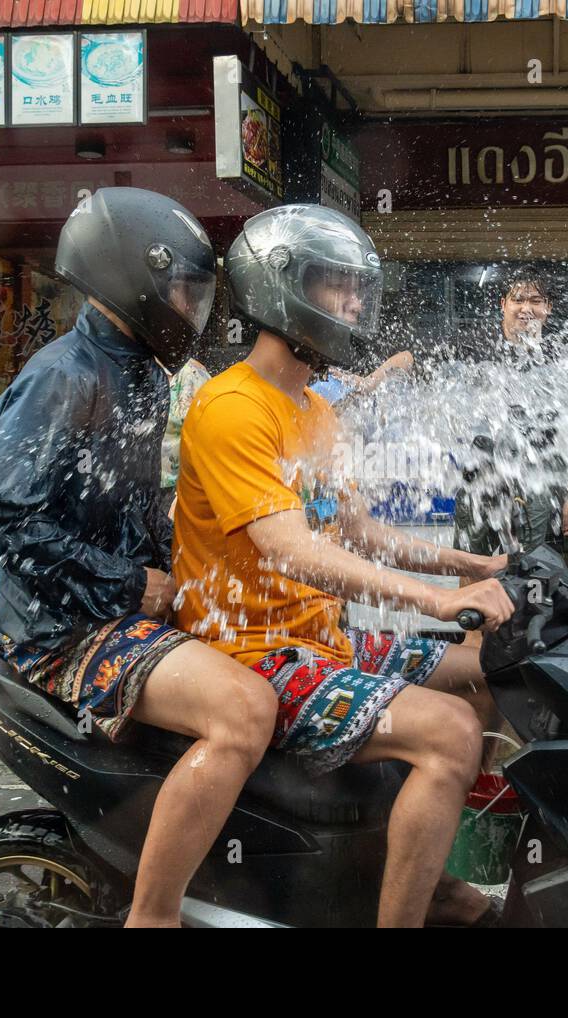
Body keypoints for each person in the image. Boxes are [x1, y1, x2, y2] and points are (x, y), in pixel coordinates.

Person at [172, 204, 515, 928]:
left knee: (488, 669)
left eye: (359, 288)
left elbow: (355, 530)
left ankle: (416, 870)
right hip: (254, 652)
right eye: (339, 287)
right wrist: (432, 600)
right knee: (452, 730)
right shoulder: (232, 407)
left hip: (319, 638)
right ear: (283, 289)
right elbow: (292, 549)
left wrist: (468, 563)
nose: (356, 304)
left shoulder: (314, 409)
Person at [0, 188, 278, 928]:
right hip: (59, 630)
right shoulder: (63, 375)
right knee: (242, 712)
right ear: (128, 277)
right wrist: (129, 582)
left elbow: (134, 507)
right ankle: (155, 916)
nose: (187, 307)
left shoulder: (139, 371)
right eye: (179, 288)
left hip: (111, 608)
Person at [452, 270, 568, 565]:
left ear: (547, 308)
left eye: (535, 300)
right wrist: (373, 380)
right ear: (503, 304)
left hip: (538, 485)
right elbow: (418, 362)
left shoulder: (561, 358)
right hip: (481, 479)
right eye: (518, 299)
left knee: (536, 567)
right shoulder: (473, 346)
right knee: (471, 565)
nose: (526, 308)